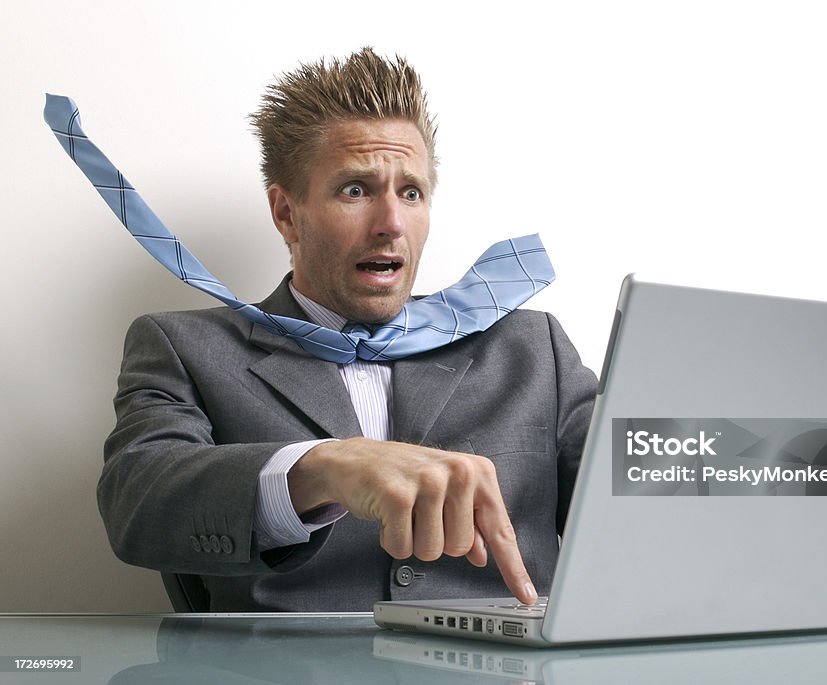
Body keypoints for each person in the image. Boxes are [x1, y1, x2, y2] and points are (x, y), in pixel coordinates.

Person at [97, 48, 598, 612]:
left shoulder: (533, 348)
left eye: (411, 192)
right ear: (287, 213)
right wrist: (325, 467)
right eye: (355, 190)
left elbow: (655, 496)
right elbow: (137, 502)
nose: (391, 224)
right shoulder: (184, 348)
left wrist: (706, 431)